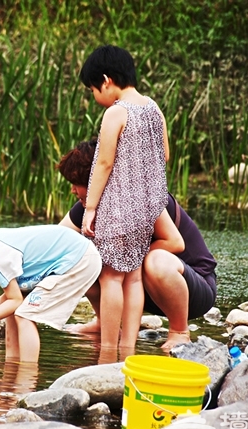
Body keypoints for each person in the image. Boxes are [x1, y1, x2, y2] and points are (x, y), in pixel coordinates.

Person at [58, 139, 217, 350]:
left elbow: (174, 242)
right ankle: (103, 323)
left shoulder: (144, 197)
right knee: (86, 257)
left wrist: (126, 256)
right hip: (147, 291)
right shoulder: (88, 208)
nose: (72, 190)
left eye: (77, 184)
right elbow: (59, 237)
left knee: (153, 260)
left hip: (192, 289)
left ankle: (179, 331)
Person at [78, 45, 169, 350]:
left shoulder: (116, 112)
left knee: (110, 277)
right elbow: (165, 155)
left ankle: (107, 351)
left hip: (118, 208)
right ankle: (128, 348)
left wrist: (91, 208)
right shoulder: (154, 108)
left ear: (106, 80)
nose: (94, 95)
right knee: (133, 278)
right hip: (148, 207)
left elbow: (103, 163)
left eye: (92, 88)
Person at [0, 209, 101, 363]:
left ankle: (27, 377)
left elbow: (15, 301)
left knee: (25, 315)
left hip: (78, 260)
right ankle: (12, 363)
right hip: (78, 254)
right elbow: (10, 300)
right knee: (15, 310)